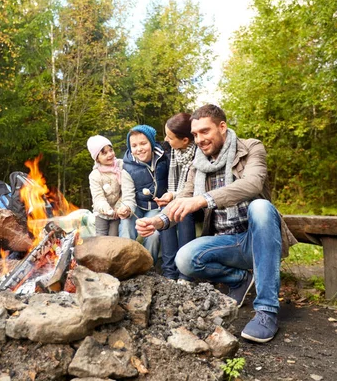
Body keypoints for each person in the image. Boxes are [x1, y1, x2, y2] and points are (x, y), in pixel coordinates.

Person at [135, 104, 297, 343]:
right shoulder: (197, 164)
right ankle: (239, 280)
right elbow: (183, 197)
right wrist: (159, 221)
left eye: (205, 131)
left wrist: (204, 199)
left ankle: (266, 311)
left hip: (257, 238)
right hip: (226, 243)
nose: (199, 139)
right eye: (195, 134)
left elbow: (252, 184)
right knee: (184, 259)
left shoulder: (251, 148)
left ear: (222, 127)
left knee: (261, 207)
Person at [154, 113, 197, 282]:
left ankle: (186, 274)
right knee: (167, 210)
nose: (166, 139)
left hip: (199, 201)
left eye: (170, 137)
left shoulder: (198, 154)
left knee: (183, 211)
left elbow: (193, 190)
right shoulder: (171, 151)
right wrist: (171, 195)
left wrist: (175, 197)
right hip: (179, 196)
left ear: (185, 140)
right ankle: (169, 273)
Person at [119, 125, 169, 263]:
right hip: (137, 206)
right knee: (126, 224)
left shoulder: (164, 160)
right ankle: (125, 263)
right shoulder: (127, 168)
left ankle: (148, 265)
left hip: (155, 208)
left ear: (151, 143)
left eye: (143, 143)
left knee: (153, 235)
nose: (139, 149)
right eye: (134, 145)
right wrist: (127, 209)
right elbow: (128, 197)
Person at [87, 135, 135, 236]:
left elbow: (126, 190)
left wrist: (118, 208)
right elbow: (98, 197)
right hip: (102, 213)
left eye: (111, 150)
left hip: (117, 212)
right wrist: (107, 210)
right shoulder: (95, 175)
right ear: (97, 158)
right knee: (101, 237)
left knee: (113, 236)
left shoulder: (121, 165)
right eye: (104, 153)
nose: (110, 154)